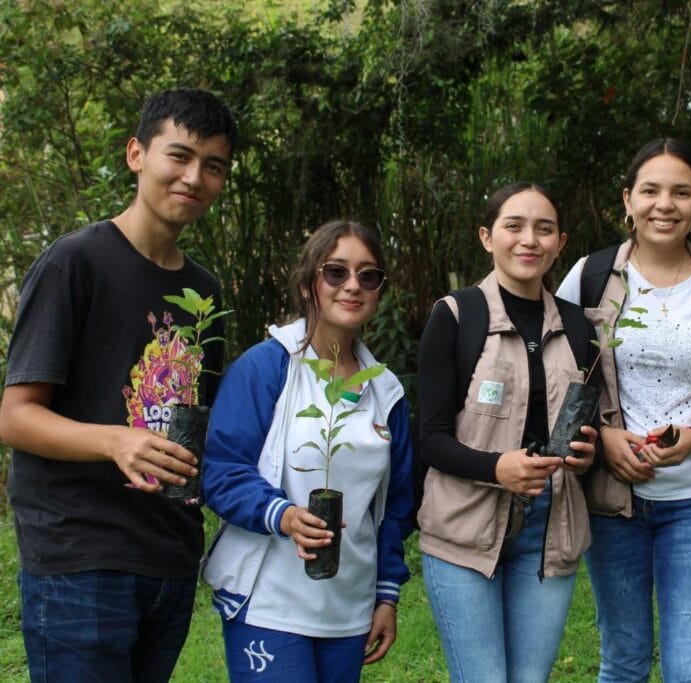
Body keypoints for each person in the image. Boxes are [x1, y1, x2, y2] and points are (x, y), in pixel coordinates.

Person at [0, 88, 236, 681]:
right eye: (179, 156)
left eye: (213, 166)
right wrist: (115, 441)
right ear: (137, 154)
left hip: (169, 556)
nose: (194, 177)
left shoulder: (204, 293)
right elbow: (15, 416)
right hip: (81, 559)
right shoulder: (74, 263)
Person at [557, 138, 691, 682]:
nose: (665, 205)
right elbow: (555, 377)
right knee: (623, 662)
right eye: (650, 190)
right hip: (612, 501)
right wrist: (603, 438)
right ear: (628, 200)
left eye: (682, 192)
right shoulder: (590, 276)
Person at [201, 219, 415, 682]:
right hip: (269, 601)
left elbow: (395, 505)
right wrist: (283, 515)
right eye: (336, 272)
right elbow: (222, 470)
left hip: (349, 606)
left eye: (368, 276)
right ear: (306, 285)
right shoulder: (265, 368)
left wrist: (386, 593)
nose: (352, 285)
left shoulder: (386, 391)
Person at [416, 182, 598, 682]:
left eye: (544, 229)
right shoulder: (457, 316)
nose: (529, 240)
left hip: (550, 528)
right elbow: (429, 437)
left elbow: (587, 429)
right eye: (513, 226)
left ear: (560, 243)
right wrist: (497, 467)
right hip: (465, 527)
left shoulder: (580, 327)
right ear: (486, 237)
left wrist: (588, 455)